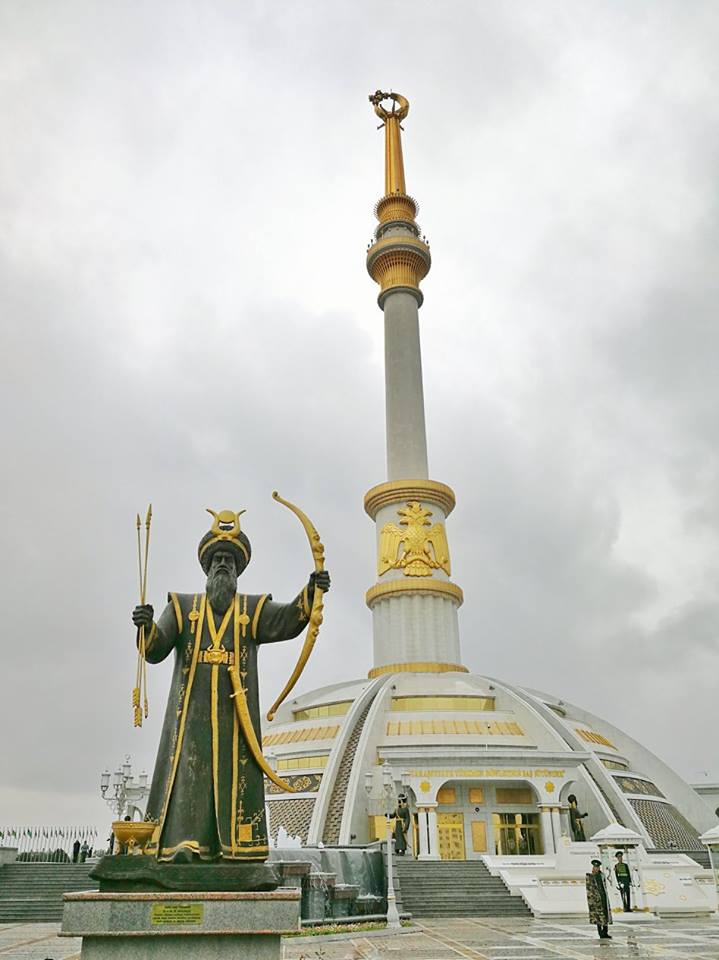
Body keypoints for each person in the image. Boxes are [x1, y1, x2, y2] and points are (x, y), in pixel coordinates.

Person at [131, 508, 330, 864]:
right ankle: (184, 845)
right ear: (207, 568)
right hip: (191, 715)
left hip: (235, 716)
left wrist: (311, 591)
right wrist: (146, 626)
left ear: (238, 570)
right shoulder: (181, 606)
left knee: (233, 776)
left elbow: (287, 620)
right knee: (190, 776)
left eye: (230, 560)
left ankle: (237, 848)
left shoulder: (251, 609)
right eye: (218, 559)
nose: (223, 565)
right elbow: (156, 649)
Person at [586, 859, 612, 940]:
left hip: (603, 897)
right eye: (595, 867)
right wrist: (592, 900)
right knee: (598, 917)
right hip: (595, 899)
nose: (596, 868)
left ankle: (605, 932)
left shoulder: (602, 875)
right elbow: (589, 889)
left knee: (605, 915)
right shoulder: (590, 877)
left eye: (597, 867)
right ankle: (600, 933)